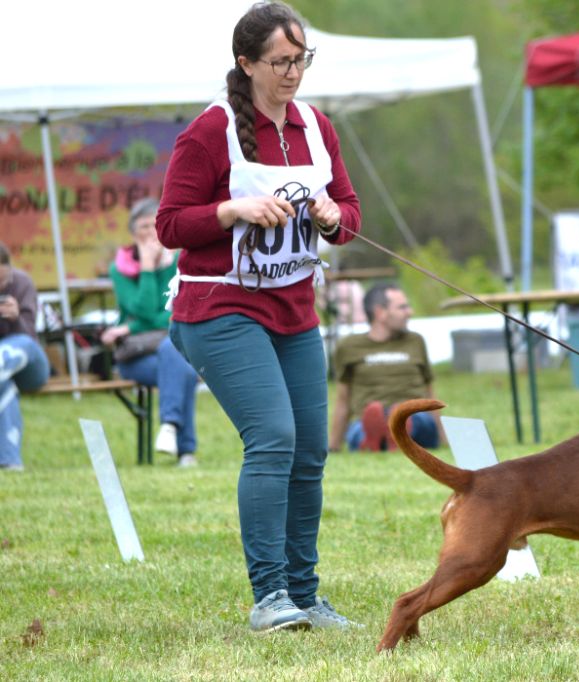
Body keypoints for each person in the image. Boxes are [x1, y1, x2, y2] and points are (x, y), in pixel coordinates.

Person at [156, 2, 361, 633]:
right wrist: (231, 210)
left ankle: (305, 594)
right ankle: (269, 596)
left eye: (302, 60)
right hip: (218, 306)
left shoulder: (317, 127)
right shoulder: (207, 132)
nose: (294, 72)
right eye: (281, 61)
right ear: (246, 64)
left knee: (310, 454)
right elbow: (169, 225)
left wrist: (332, 219)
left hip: (294, 308)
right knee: (273, 437)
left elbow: (350, 214)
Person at [100, 199, 201, 467]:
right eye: (143, 226)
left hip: (167, 348)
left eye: (153, 224)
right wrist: (147, 267)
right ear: (133, 233)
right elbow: (144, 311)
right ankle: (185, 450)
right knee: (183, 370)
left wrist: (129, 326)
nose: (149, 232)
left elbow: (173, 313)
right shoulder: (119, 268)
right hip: (136, 356)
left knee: (173, 353)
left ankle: (169, 428)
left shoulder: (179, 261)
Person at [328, 283, 444, 453]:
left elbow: (429, 392)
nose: (409, 312)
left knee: (417, 421)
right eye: (402, 307)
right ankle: (385, 435)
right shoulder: (349, 346)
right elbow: (343, 398)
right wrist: (334, 446)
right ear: (380, 312)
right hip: (367, 417)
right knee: (358, 431)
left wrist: (442, 439)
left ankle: (393, 430)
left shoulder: (415, 341)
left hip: (414, 414)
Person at [0, 242, 50, 472]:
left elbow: (30, 337)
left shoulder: (22, 282)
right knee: (3, 385)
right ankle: (10, 462)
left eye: (2, 281)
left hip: (32, 368)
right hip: (5, 374)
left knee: (23, 343)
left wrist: (15, 317)